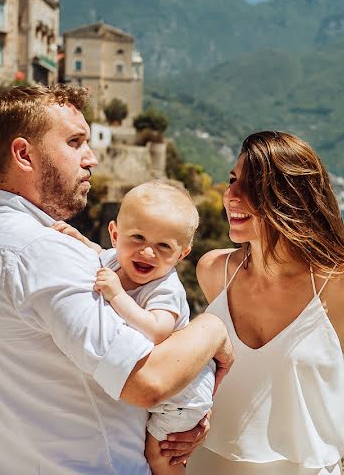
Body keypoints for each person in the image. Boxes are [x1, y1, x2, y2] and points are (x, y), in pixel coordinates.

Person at [0, 85, 233, 475]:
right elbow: (149, 380)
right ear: (24, 154)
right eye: (75, 143)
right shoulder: (39, 252)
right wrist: (213, 328)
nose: (91, 159)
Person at [175, 131, 344, 475]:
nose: (230, 196)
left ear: (288, 195)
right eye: (232, 181)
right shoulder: (214, 272)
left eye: (249, 185)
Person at [58, 181, 214, 475]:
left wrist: (117, 296)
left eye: (163, 246)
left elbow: (157, 331)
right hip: (161, 381)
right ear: (115, 235)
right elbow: (101, 252)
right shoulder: (116, 258)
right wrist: (80, 240)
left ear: (182, 254)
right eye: (137, 238)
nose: (148, 253)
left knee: (159, 455)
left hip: (182, 391)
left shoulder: (165, 288)